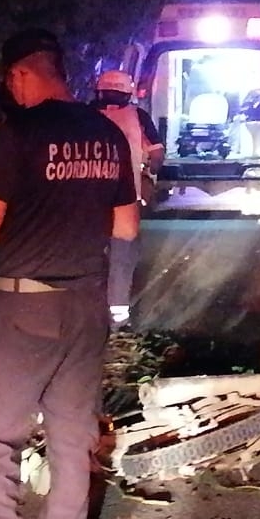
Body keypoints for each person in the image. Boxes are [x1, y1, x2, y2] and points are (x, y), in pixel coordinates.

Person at [0, 28, 139, 519]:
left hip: (21, 307)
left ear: (19, 75)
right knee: (71, 438)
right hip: (85, 303)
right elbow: (127, 225)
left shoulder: (18, 134)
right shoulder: (107, 133)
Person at [89, 69, 162, 328]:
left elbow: (155, 153)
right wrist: (150, 177)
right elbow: (156, 153)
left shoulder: (85, 115)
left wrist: (149, 176)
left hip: (90, 200)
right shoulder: (136, 116)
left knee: (99, 255)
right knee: (121, 256)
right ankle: (117, 318)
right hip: (123, 199)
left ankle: (104, 315)